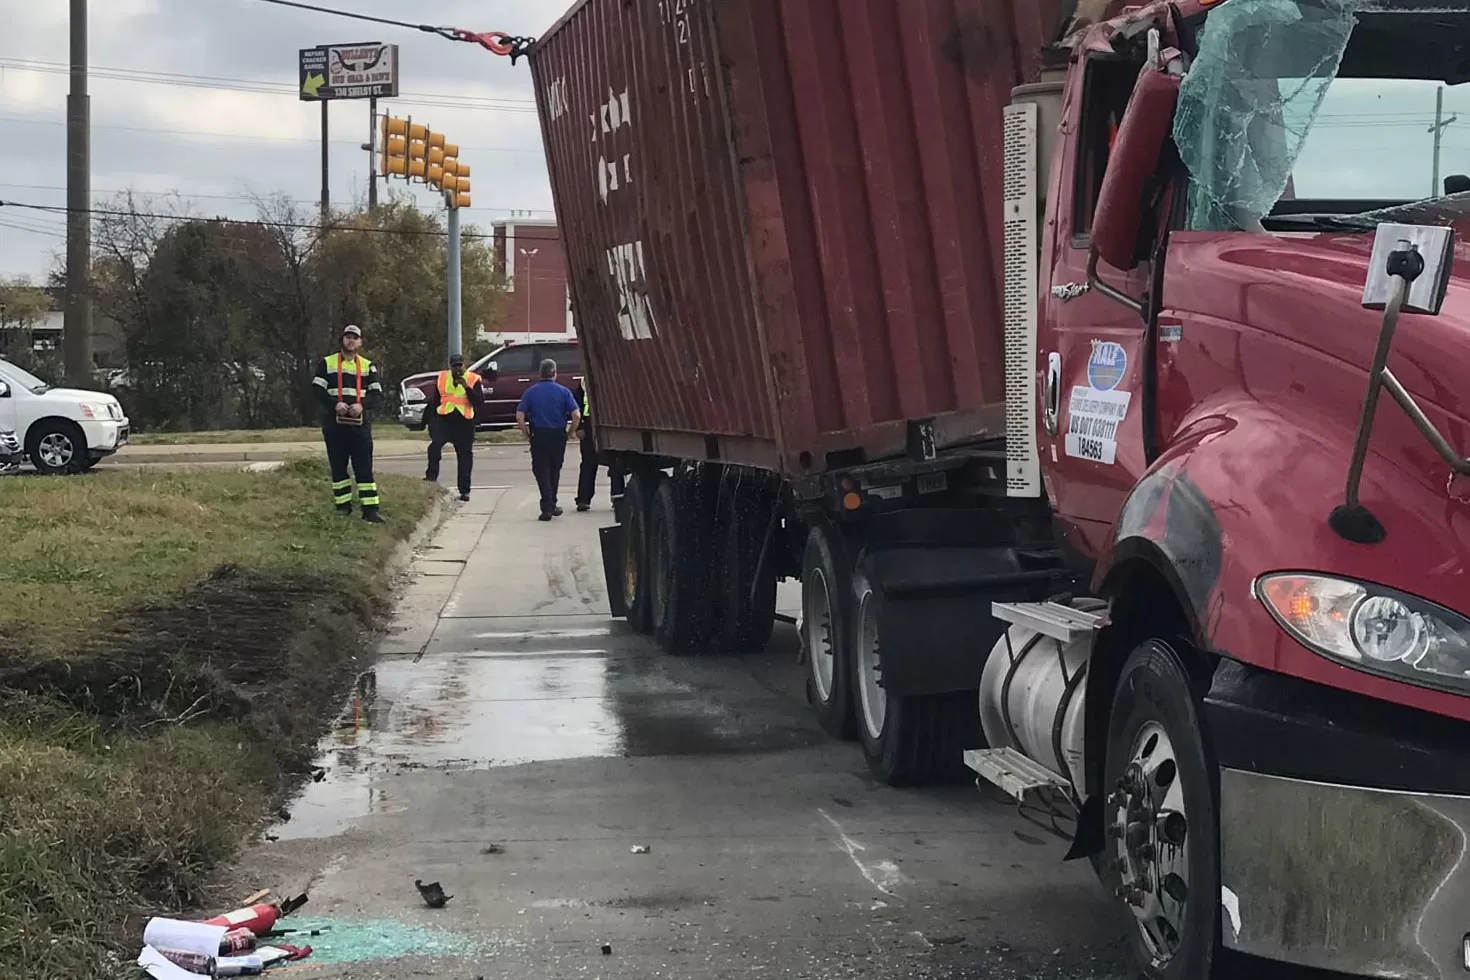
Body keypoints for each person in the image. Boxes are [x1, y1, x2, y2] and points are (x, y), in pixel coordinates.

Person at [312, 324, 385, 523]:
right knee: (338, 466)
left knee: (364, 467)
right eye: (347, 337)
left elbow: (376, 393)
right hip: (335, 425)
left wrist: (362, 405)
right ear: (342, 340)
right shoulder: (327, 363)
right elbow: (317, 390)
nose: (351, 341)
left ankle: (370, 510)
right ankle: (343, 507)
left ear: (360, 342)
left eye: (355, 337)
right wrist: (335, 404)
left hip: (359, 425)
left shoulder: (368, 365)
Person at [516, 357, 581, 521]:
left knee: (541, 471)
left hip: (538, 435)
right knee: (554, 470)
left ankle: (547, 506)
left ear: (540, 374)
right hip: (558, 435)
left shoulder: (531, 392)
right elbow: (576, 415)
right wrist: (569, 432)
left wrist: (526, 433)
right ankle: (551, 504)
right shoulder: (563, 391)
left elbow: (519, 416)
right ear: (555, 374)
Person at [424, 352, 484, 501]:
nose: (457, 369)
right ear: (450, 366)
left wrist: (466, 388)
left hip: (464, 421)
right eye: (454, 366)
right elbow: (436, 400)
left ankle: (464, 490)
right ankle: (431, 478)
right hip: (445, 419)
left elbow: (478, 402)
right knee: (435, 446)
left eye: (460, 365)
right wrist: (432, 421)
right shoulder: (443, 377)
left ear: (465, 365)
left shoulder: (473, 379)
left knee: (465, 455)